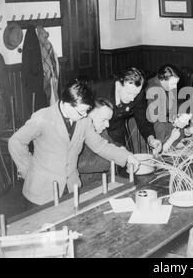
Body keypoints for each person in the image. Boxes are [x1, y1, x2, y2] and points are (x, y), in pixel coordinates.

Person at [8, 79, 139, 207]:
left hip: (70, 188)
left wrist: (126, 157)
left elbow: (100, 145)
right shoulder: (43, 117)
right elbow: (16, 142)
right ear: (66, 104)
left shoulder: (83, 119)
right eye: (81, 112)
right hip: (41, 192)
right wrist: (28, 170)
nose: (84, 115)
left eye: (86, 111)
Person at [88, 68, 162, 155]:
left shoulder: (137, 94)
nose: (132, 99)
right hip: (92, 132)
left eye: (135, 94)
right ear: (118, 85)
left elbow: (143, 121)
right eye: (129, 93)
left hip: (116, 133)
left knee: (121, 161)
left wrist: (151, 139)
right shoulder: (97, 88)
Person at [77, 98, 120, 185]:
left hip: (104, 181)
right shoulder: (78, 131)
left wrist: (126, 153)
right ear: (89, 115)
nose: (107, 125)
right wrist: (115, 158)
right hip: (83, 186)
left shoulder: (101, 129)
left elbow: (112, 145)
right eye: (104, 120)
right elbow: (79, 163)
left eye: (108, 120)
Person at [146, 64, 181, 143]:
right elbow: (157, 119)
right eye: (172, 84)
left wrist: (176, 116)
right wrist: (175, 123)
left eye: (176, 84)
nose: (174, 87)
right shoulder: (153, 89)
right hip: (152, 125)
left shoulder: (163, 83)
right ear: (162, 79)